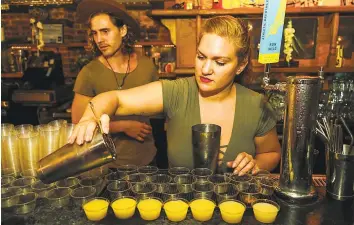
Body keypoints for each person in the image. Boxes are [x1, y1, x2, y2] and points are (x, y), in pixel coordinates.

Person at [69, 15, 281, 176]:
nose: (205, 69)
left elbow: (271, 154)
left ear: (240, 65)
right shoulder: (178, 92)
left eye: (220, 62)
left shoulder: (256, 105)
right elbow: (114, 98)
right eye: (201, 57)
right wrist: (90, 116)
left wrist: (256, 164)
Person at [72, 0, 158, 167]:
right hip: (108, 165)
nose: (99, 39)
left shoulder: (147, 66)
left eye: (105, 31)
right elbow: (78, 123)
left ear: (123, 30)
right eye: (95, 33)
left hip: (147, 160)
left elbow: (159, 111)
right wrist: (122, 126)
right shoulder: (89, 73)